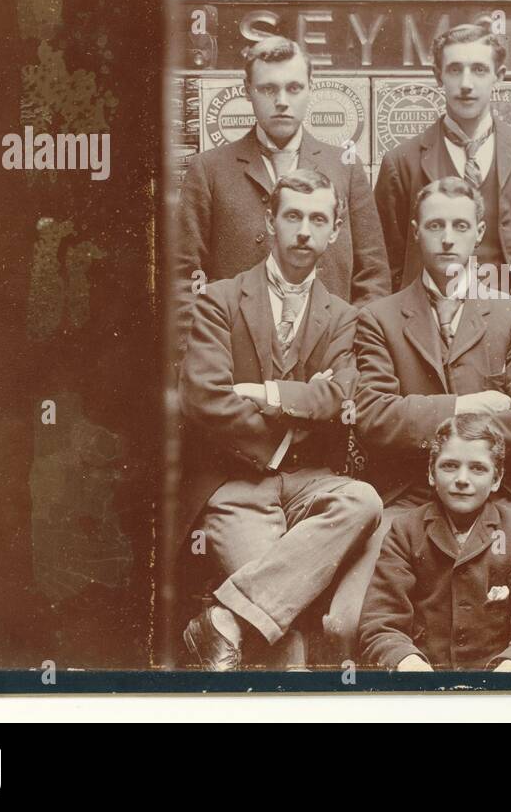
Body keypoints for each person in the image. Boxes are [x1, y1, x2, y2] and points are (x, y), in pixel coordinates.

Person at [329, 176, 511, 664]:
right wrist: (469, 406)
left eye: (458, 225)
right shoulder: (380, 318)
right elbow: (373, 417)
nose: (447, 238)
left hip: (504, 504)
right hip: (405, 503)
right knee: (346, 622)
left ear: (479, 232)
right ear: (415, 232)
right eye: (435, 225)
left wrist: (428, 423)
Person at [179, 168, 381, 670]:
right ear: (269, 221)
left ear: (336, 230)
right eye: (292, 216)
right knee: (280, 624)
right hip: (236, 484)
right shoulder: (220, 301)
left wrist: (264, 391)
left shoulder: (344, 317)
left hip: (314, 481)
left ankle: (222, 618)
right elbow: (205, 400)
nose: (304, 232)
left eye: (318, 219)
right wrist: (298, 409)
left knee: (363, 499)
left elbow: (340, 396)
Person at [175, 36, 391, 342]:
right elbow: (185, 279)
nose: (282, 101)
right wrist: (203, 359)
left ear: (310, 88)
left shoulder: (345, 167)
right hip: (238, 359)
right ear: (247, 90)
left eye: (294, 88)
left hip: (329, 358)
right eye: (268, 89)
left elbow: (373, 276)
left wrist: (354, 353)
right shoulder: (209, 169)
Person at [359, 413, 511, 672]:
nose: (462, 479)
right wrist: (407, 663)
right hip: (423, 678)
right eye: (449, 466)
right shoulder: (405, 531)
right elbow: (380, 622)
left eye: (478, 468)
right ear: (431, 473)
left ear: (497, 479)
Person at [375, 22, 511, 298]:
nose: (466, 84)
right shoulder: (402, 162)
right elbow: (387, 265)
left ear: (499, 76)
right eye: (454, 70)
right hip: (433, 324)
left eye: (479, 70)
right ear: (438, 76)